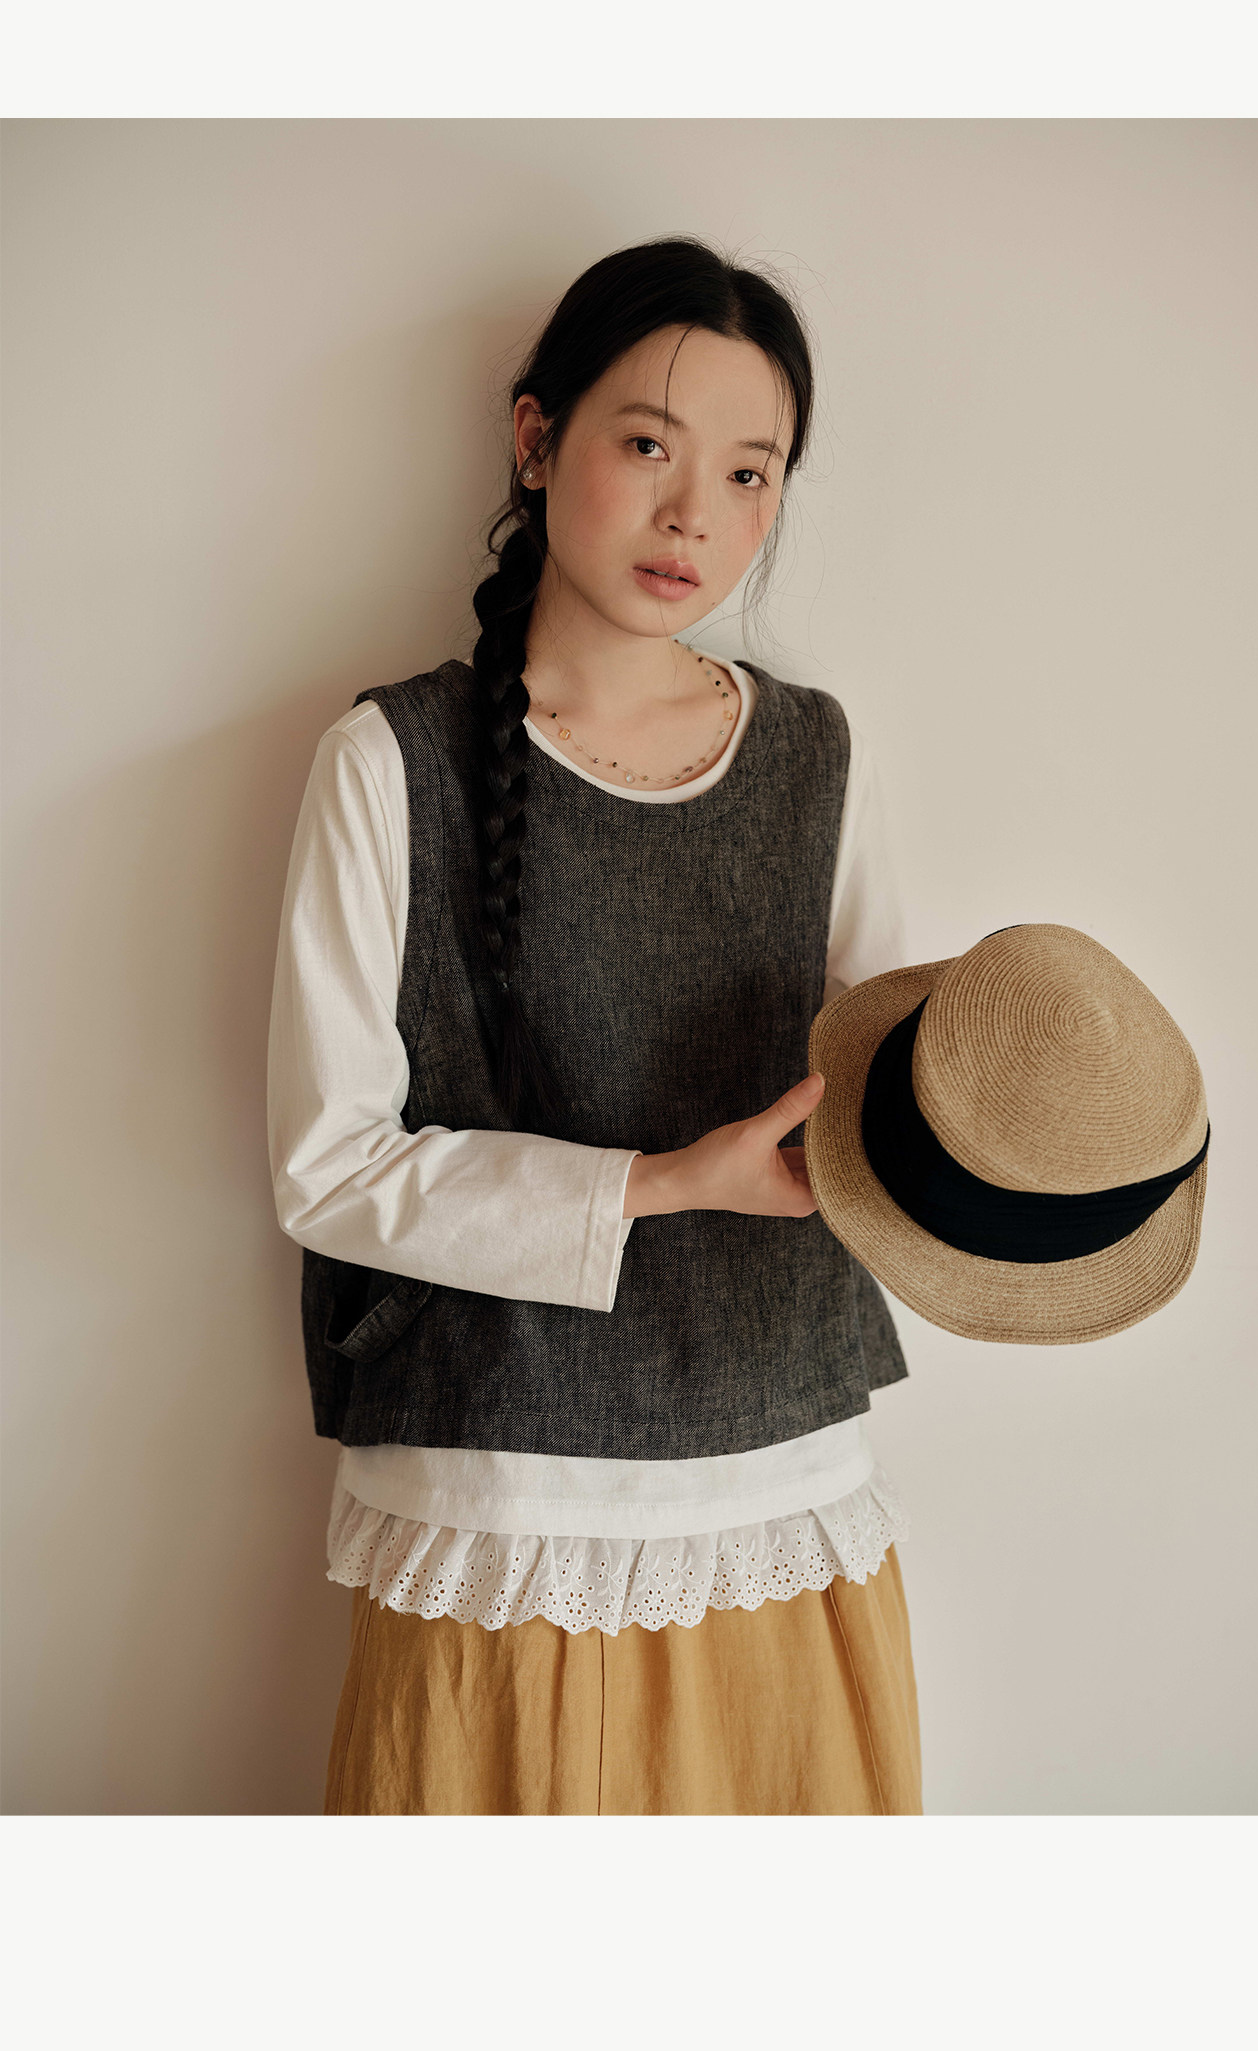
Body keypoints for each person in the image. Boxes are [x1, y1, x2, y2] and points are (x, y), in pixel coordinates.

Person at [266, 236, 922, 1815]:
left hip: (779, 1483)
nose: (697, 514)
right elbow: (326, 1168)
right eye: (649, 445)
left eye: (750, 474)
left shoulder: (820, 759)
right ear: (536, 439)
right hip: (502, 1510)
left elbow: (878, 1098)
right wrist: (659, 1183)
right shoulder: (390, 763)